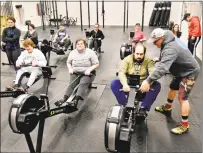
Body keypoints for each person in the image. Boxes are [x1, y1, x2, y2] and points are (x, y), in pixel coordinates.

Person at [140, 28, 200, 135]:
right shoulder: (167, 36)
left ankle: (184, 125)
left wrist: (148, 81)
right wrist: (160, 58)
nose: (154, 44)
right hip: (180, 68)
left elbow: (163, 68)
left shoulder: (171, 48)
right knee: (173, 86)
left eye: (155, 41)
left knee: (182, 98)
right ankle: (167, 108)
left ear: (161, 38)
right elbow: (167, 54)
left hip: (189, 72)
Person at [111, 43, 161, 122]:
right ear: (133, 52)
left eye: (141, 54)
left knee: (157, 85)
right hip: (128, 86)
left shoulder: (149, 61)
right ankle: (125, 106)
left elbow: (153, 74)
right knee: (114, 83)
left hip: (142, 87)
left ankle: (143, 109)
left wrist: (148, 83)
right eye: (137, 54)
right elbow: (121, 73)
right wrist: (125, 84)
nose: (139, 56)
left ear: (144, 53)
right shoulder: (127, 59)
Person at [54, 39, 99, 107]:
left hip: (88, 73)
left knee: (83, 83)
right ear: (76, 45)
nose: (79, 45)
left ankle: (76, 100)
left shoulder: (90, 52)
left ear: (85, 45)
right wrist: (70, 69)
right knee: (71, 84)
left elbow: (96, 64)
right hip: (75, 72)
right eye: (78, 44)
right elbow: (68, 62)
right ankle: (64, 99)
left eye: (81, 44)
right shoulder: (72, 52)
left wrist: (89, 70)